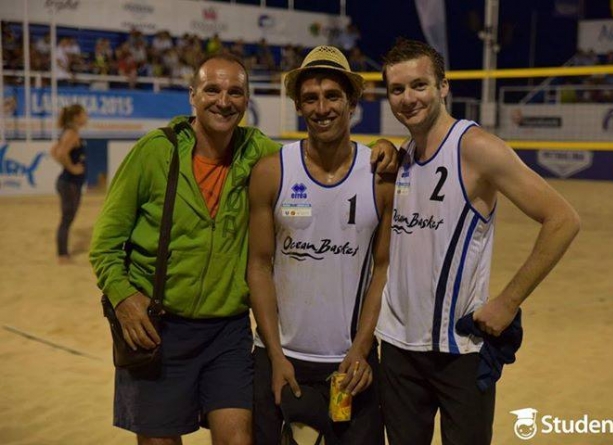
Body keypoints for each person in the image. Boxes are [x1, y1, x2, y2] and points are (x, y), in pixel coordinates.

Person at [89, 53, 398, 445]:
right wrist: (122, 297)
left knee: (239, 439)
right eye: (212, 89)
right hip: (158, 328)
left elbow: (316, 156)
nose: (224, 100)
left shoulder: (258, 153)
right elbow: (105, 244)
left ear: (246, 99)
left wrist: (388, 148)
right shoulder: (155, 152)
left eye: (235, 91)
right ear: (192, 96)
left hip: (228, 332)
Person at [375, 39, 581, 445]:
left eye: (419, 85)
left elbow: (562, 220)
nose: (408, 98)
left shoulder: (476, 148)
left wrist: (508, 300)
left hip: (461, 351)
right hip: (398, 350)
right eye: (397, 90)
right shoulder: (403, 155)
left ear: (443, 87)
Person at [247, 46, 393, 445]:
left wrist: (363, 348)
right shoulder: (272, 171)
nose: (321, 107)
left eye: (332, 96)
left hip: (350, 363)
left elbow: (383, 269)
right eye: (310, 98)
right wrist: (274, 354)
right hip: (281, 359)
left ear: (352, 102)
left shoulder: (379, 177)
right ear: (298, 104)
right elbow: (258, 265)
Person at [51, 104, 87, 264]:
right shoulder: (71, 133)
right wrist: (72, 168)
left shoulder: (71, 133)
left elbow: (53, 151)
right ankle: (62, 255)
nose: (87, 117)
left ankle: (63, 253)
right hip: (69, 183)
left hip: (71, 183)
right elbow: (59, 153)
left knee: (68, 218)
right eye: (84, 114)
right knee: (66, 219)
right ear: (76, 117)